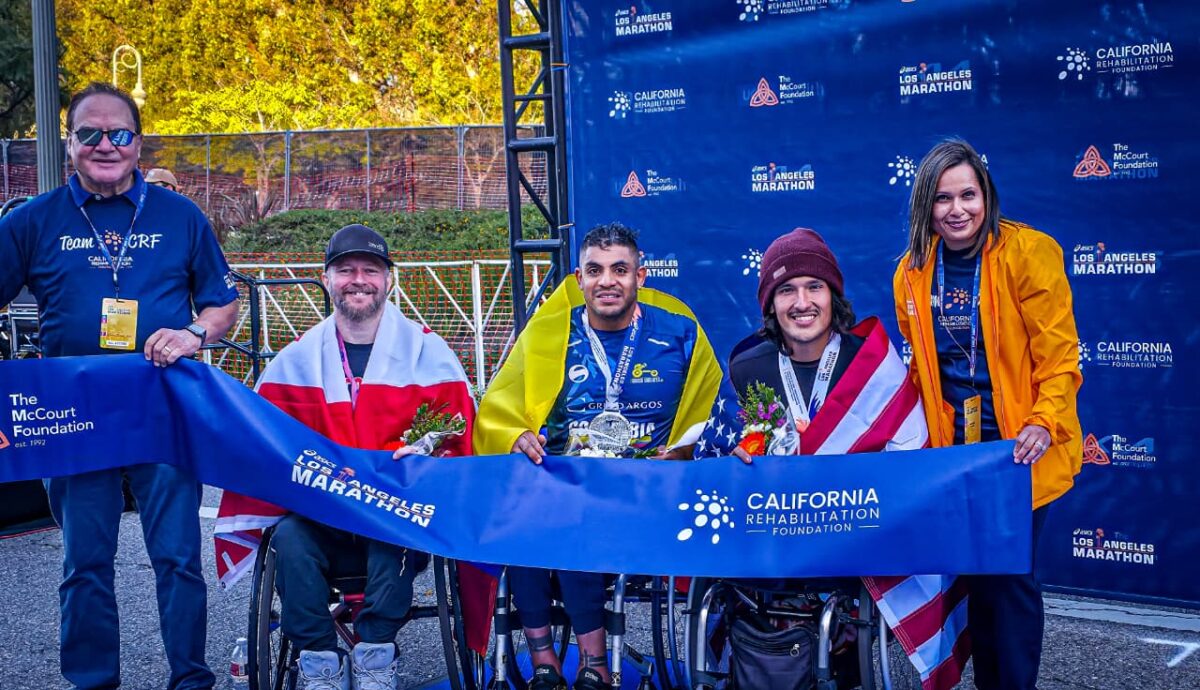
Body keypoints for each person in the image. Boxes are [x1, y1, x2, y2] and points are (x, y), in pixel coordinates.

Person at [0, 82, 239, 690]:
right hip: (71, 417)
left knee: (180, 560)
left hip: (162, 407)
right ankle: (91, 682)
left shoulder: (180, 215)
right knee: (84, 563)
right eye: (90, 133)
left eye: (120, 133)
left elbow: (221, 304)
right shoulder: (31, 221)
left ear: (138, 142)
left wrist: (193, 334)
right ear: (70, 142)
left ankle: (190, 679)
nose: (106, 144)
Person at [216, 224, 476, 690]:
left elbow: (459, 441)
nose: (358, 279)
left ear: (389, 280)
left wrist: (423, 461)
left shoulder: (429, 353)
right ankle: (319, 661)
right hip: (321, 518)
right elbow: (260, 446)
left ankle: (375, 655)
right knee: (288, 538)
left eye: (370, 270)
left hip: (395, 517)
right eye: (346, 270)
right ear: (327, 278)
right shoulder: (292, 361)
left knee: (399, 530)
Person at [474, 222, 722, 690]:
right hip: (566, 486)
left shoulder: (681, 333)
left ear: (640, 277)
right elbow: (499, 411)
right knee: (523, 510)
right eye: (595, 270)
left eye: (619, 269)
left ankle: (594, 663)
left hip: (648, 496)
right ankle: (545, 661)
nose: (607, 280)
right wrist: (514, 436)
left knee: (568, 516)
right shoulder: (550, 333)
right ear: (579, 278)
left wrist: (685, 450)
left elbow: (711, 415)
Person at [893, 138, 1082, 690]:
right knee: (975, 578)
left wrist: (1043, 421)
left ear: (986, 195)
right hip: (957, 457)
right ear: (925, 206)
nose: (958, 210)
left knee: (1009, 580)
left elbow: (1060, 355)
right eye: (943, 198)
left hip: (1020, 449)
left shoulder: (1028, 253)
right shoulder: (911, 271)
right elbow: (922, 368)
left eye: (968, 195)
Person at [702, 227, 928, 462]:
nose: (802, 303)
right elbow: (712, 459)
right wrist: (732, 461)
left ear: (833, 296)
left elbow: (911, 463)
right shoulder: (746, 369)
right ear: (770, 304)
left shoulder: (874, 365)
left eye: (815, 287)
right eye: (786, 290)